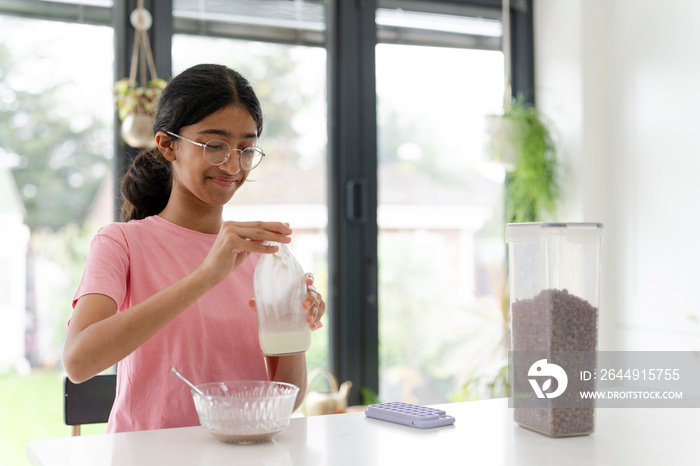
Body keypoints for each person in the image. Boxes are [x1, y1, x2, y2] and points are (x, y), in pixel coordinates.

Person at [62, 63, 325, 433]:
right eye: (214, 145)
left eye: (246, 149)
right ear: (168, 145)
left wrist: (293, 324)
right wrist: (207, 275)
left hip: (240, 456)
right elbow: (78, 362)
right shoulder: (121, 242)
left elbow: (288, 398)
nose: (233, 165)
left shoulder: (259, 257)